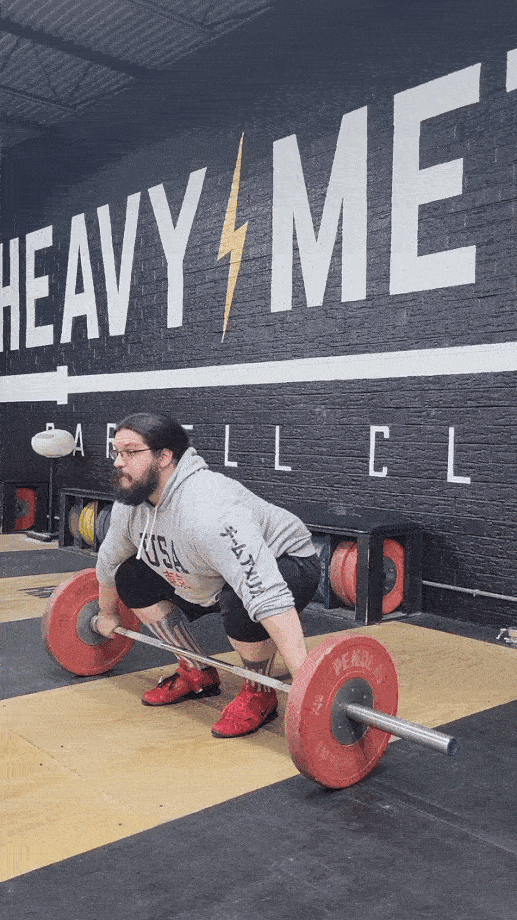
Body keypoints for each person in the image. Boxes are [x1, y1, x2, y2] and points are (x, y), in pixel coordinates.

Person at [95, 412, 321, 738]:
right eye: (117, 452)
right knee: (131, 578)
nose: (118, 462)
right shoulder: (130, 505)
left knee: (242, 604)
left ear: (165, 456)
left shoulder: (209, 509)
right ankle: (196, 672)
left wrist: (305, 679)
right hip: (208, 571)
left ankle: (260, 692)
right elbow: (108, 562)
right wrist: (105, 611)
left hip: (289, 563)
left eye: (130, 452)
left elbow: (266, 592)